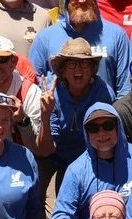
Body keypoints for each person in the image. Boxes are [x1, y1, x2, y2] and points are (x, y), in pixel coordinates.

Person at [29, 0, 132, 99]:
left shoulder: (116, 35)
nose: (82, 0)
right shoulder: (46, 37)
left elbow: (125, 88)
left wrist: (115, 116)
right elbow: (34, 81)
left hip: (102, 114)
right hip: (59, 115)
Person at [41, 37, 117, 173]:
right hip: (55, 157)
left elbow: (108, 139)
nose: (78, 70)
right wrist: (45, 115)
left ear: (93, 69)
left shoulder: (103, 92)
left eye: (84, 63)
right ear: (62, 70)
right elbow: (46, 150)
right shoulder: (51, 93)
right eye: (71, 63)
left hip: (93, 157)